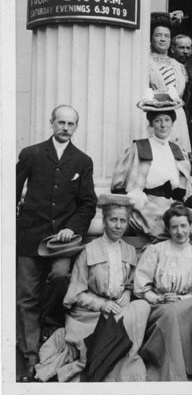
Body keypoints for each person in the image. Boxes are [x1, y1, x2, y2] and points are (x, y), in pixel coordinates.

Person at [16, 105, 97, 382]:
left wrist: (71, 228)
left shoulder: (82, 161)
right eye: (60, 122)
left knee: (61, 276)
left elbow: (88, 204)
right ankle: (30, 357)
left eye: (70, 124)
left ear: (76, 127)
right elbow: (11, 192)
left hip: (61, 242)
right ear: (51, 123)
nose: (65, 127)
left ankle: (50, 325)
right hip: (29, 237)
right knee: (26, 295)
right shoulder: (32, 154)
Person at [36, 195, 151, 382]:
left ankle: (122, 353)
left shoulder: (130, 251)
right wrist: (101, 304)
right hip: (90, 314)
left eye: (123, 221)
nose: (118, 225)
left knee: (142, 307)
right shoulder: (88, 250)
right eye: (113, 220)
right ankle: (105, 361)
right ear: (104, 221)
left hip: (118, 309)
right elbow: (76, 293)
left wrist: (128, 292)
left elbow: (130, 282)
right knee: (104, 335)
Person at [111, 92, 192, 253]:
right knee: (178, 229)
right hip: (146, 206)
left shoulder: (178, 151)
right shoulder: (138, 148)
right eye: (158, 121)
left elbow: (184, 193)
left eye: (167, 120)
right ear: (151, 124)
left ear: (172, 123)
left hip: (172, 204)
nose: (163, 125)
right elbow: (117, 186)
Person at [134, 204, 192, 381]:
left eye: (183, 226)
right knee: (171, 312)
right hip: (159, 308)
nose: (180, 231)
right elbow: (141, 287)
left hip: (186, 304)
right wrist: (159, 298)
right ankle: (176, 374)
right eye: (174, 227)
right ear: (168, 229)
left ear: (191, 226)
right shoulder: (156, 250)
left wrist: (179, 298)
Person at [148, 13, 191, 152]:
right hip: (155, 115)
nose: (162, 39)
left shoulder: (178, 66)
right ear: (151, 38)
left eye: (166, 36)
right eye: (158, 35)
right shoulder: (145, 62)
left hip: (177, 117)